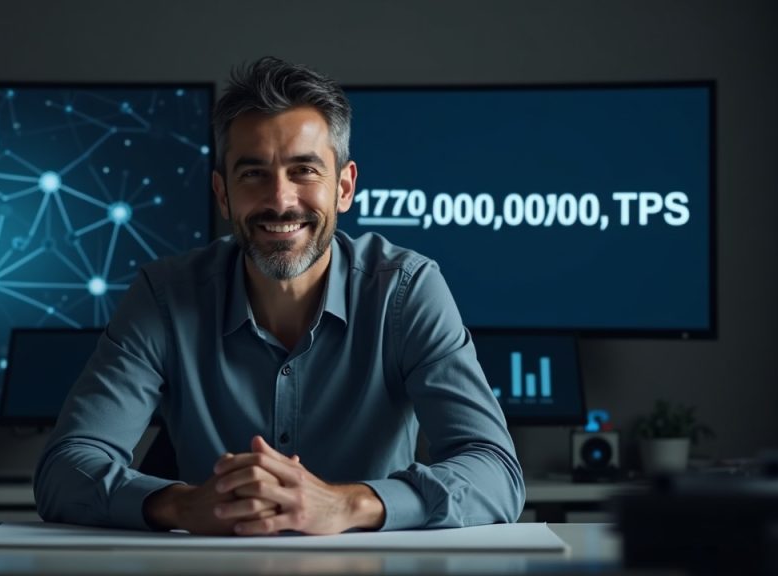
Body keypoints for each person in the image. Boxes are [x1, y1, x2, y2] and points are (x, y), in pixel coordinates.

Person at [34, 57, 525, 535]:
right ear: (223, 194)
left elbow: (496, 472)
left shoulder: (406, 290)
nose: (280, 199)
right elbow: (65, 469)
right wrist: (183, 505)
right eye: (253, 174)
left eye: (304, 171)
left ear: (345, 188)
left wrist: (348, 504)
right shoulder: (164, 296)